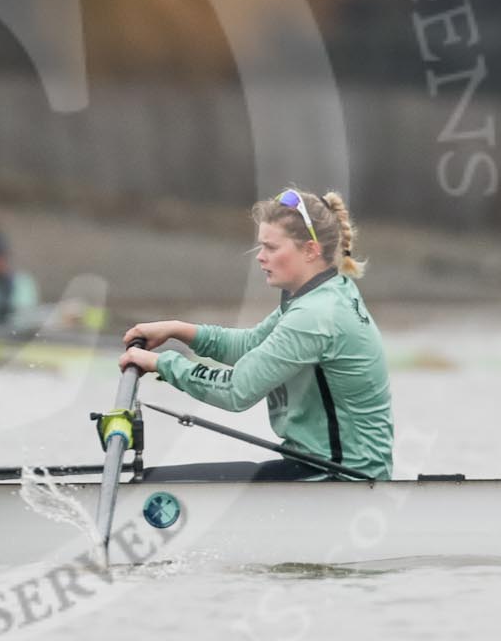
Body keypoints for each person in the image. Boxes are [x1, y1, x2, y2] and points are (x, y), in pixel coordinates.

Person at [120, 189, 392, 481]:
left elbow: (236, 391)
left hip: (344, 483)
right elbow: (251, 345)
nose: (261, 258)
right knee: (158, 481)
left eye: (271, 248)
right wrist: (177, 329)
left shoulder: (315, 315)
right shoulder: (322, 294)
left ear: (311, 250)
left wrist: (161, 364)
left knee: (159, 484)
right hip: (326, 472)